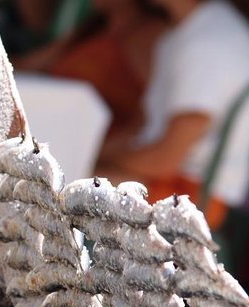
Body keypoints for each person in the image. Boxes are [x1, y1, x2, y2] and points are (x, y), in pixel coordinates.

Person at [96, 0, 249, 229]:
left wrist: (100, 158)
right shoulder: (188, 29)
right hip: (168, 179)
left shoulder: (211, 42)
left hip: (190, 196)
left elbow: (166, 158)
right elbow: (146, 127)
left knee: (71, 186)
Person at [16, 0, 168, 134]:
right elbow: (28, 65)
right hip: (52, 124)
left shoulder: (149, 35)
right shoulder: (91, 29)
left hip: (98, 139)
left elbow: (153, 106)